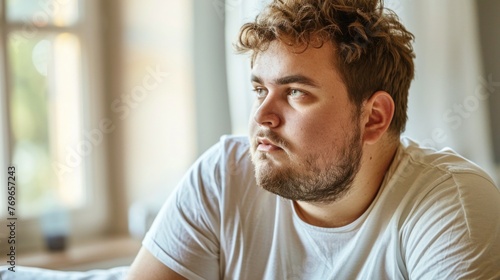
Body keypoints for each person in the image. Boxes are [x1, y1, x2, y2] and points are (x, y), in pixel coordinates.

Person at [127, 0, 500, 279]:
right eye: (259, 90)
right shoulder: (224, 173)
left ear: (374, 118)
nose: (260, 117)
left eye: (295, 93)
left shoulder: (451, 205)